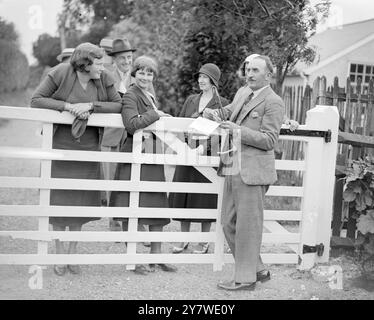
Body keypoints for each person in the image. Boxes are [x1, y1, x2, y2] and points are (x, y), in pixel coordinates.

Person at [30, 42, 122, 276]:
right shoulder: (61, 72)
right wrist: (69, 107)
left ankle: (72, 253)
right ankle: (59, 254)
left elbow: (118, 104)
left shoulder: (104, 78)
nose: (103, 67)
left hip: (88, 148)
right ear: (85, 64)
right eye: (99, 63)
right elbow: (37, 99)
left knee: (80, 202)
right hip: (59, 146)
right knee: (59, 200)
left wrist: (91, 106)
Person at [204, 55, 285, 291]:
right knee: (228, 221)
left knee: (247, 226)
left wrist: (238, 131)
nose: (249, 74)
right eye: (248, 69)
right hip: (232, 165)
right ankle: (257, 268)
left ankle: (245, 278)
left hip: (253, 171)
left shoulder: (274, 101)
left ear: (268, 75)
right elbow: (229, 111)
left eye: (256, 70)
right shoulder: (242, 92)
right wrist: (215, 114)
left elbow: (269, 140)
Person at [109, 55, 177, 275]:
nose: (145, 77)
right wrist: (155, 114)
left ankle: (156, 257)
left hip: (151, 155)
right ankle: (134, 259)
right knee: (133, 208)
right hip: (135, 156)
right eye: (141, 72)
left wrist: (157, 115)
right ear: (134, 73)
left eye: (150, 73)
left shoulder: (150, 95)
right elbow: (131, 125)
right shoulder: (130, 94)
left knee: (156, 206)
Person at [169, 63, 229, 254]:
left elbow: (223, 132)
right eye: (200, 77)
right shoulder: (191, 100)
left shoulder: (223, 102)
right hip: (187, 151)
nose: (201, 80)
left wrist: (205, 148)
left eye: (206, 77)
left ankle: (203, 240)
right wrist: (182, 146)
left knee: (205, 198)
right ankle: (184, 238)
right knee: (184, 196)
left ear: (214, 81)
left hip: (208, 154)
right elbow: (180, 122)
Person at [100, 38, 136, 231]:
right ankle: (113, 220)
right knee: (111, 178)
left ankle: (132, 221)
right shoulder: (105, 77)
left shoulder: (139, 78)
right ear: (114, 59)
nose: (126, 61)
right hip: (111, 135)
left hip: (132, 136)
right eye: (122, 58)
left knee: (132, 177)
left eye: (129, 57)